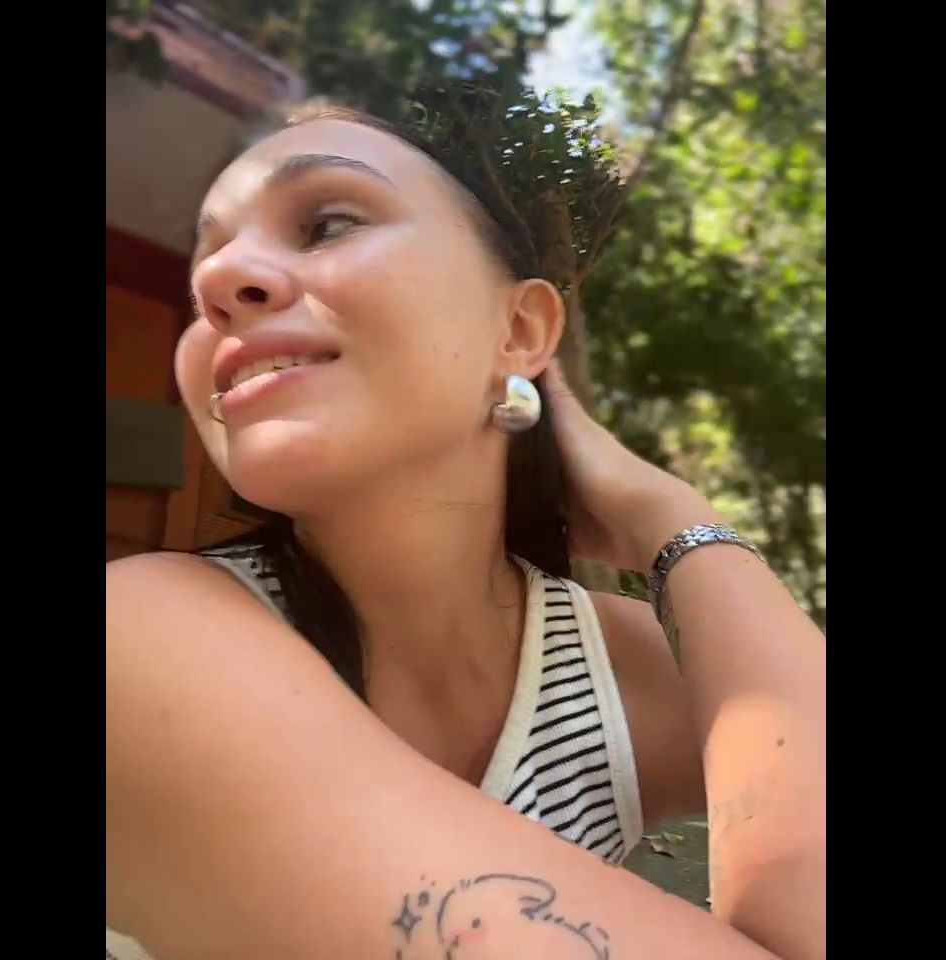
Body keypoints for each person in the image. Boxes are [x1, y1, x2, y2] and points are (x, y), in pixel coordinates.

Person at [106, 93, 825, 960]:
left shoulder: (622, 667)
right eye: (206, 264)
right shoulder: (139, 640)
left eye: (328, 224)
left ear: (520, 329)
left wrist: (672, 519)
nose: (218, 283)